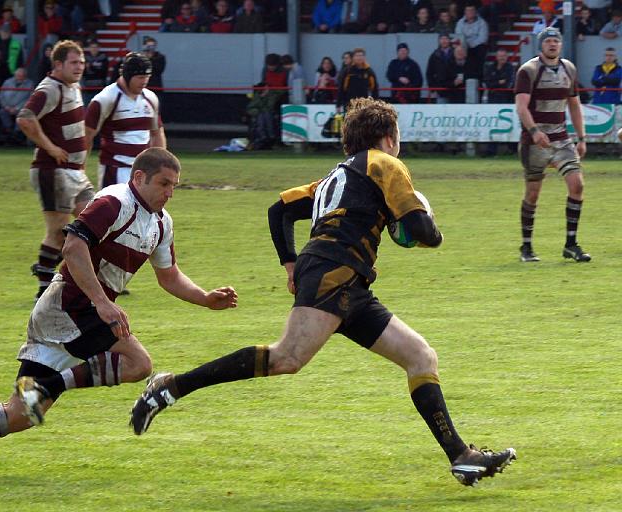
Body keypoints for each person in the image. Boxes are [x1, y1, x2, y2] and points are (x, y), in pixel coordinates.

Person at [128, 97, 517, 488]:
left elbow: (278, 210)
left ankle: (461, 457)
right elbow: (419, 230)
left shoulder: (338, 175)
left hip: (349, 281)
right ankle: (171, 386)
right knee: (287, 358)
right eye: (396, 136)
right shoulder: (386, 164)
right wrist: (431, 229)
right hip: (335, 270)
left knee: (420, 355)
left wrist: (292, 262)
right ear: (387, 137)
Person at [0, 147, 238, 442]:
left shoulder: (161, 223)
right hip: (70, 307)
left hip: (74, 312)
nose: (170, 193)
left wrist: (204, 298)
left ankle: (44, 387)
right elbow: (72, 247)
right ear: (140, 177)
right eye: (164, 184)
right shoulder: (113, 202)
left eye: (174, 186)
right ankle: (48, 385)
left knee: (19, 416)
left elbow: (169, 276)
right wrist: (102, 303)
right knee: (138, 364)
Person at [15, 40, 93, 298]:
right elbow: (25, 118)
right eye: (74, 62)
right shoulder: (49, 88)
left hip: (75, 171)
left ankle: (70, 278)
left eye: (82, 62)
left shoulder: (73, 86)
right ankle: (44, 288)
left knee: (93, 221)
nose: (80, 67)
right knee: (57, 231)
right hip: (53, 171)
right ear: (57, 64)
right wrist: (50, 148)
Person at [514, 27, 591, 263]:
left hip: (561, 139)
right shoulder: (528, 71)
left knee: (577, 185)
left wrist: (581, 137)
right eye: (548, 41)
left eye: (555, 41)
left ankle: (571, 244)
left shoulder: (569, 68)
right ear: (541, 46)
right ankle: (526, 247)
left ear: (560, 45)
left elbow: (575, 105)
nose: (552, 45)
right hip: (535, 142)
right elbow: (521, 106)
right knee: (533, 193)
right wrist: (535, 131)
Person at [85, 52, 165, 191]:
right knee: (115, 212)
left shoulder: (150, 98)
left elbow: (157, 133)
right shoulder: (106, 99)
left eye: (147, 77)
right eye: (140, 77)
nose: (145, 81)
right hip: (115, 170)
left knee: (147, 212)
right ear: (127, 75)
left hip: (143, 172)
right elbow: (87, 136)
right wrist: (80, 167)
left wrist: (160, 166)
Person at [482, 48, 515, 156]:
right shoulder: (490, 67)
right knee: (494, 124)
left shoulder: (510, 68)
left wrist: (495, 82)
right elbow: (487, 83)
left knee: (508, 124)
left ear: (506, 57)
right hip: (493, 100)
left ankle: (512, 149)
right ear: (496, 57)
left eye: (504, 56)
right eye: (500, 56)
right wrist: (499, 82)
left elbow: (508, 84)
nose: (502, 58)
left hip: (506, 99)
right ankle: (491, 150)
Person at [0, 66, 33, 144]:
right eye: (18, 75)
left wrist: (17, 108)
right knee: (2, 112)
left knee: (22, 114)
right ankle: (9, 131)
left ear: (25, 76)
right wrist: (6, 106)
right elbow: (1, 96)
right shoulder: (7, 82)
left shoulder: (30, 84)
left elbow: (29, 98)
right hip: (7, 107)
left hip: (21, 108)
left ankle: (17, 133)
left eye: (21, 76)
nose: (19, 77)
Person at [454, 4, 488, 79]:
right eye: (468, 10)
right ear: (465, 12)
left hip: (476, 46)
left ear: (475, 12)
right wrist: (465, 45)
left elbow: (483, 38)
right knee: (458, 49)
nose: (470, 12)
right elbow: (459, 36)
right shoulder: (460, 23)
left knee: (480, 49)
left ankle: (478, 77)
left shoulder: (482, 23)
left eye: (472, 10)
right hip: (464, 46)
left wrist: (470, 45)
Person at [426, 34, 454, 104]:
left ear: (449, 40)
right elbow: (429, 73)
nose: (444, 41)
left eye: (446, 39)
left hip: (455, 89)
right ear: (439, 41)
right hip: (440, 90)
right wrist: (432, 89)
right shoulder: (434, 55)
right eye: (442, 39)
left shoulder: (455, 53)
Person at [82, 39, 109, 105]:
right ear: (89, 48)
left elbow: (103, 73)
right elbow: (83, 73)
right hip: (87, 88)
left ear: (99, 48)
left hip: (100, 87)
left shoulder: (103, 57)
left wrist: (91, 67)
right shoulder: (85, 58)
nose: (94, 49)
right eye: (92, 47)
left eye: (95, 47)